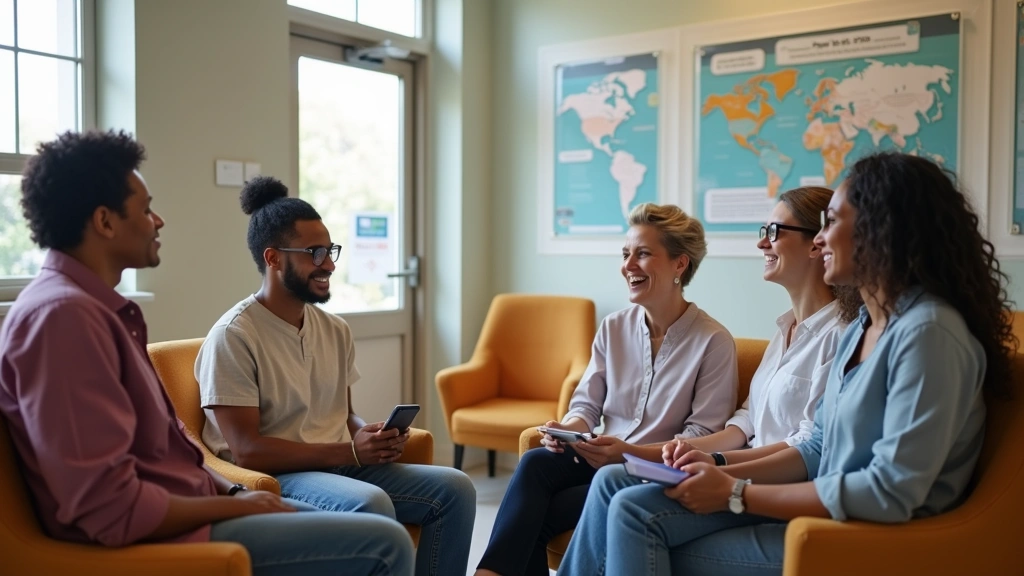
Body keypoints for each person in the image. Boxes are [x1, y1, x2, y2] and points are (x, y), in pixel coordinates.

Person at [556, 151, 1016, 576]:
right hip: (827, 504)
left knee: (636, 517)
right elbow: (816, 447)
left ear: (882, 229)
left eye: (831, 223)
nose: (820, 239)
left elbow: (889, 491)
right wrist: (717, 470)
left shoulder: (929, 333)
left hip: (870, 533)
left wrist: (736, 492)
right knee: (622, 490)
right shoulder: (863, 326)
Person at [0, 130, 414, 575]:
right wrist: (235, 509)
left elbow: (175, 451)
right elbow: (107, 507)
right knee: (383, 542)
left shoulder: (100, 311)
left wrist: (236, 495)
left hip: (196, 507)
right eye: (145, 209)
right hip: (163, 537)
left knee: (389, 513)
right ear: (105, 222)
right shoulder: (62, 320)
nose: (158, 221)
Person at [195, 176, 476, 576]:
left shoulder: (334, 329)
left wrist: (370, 436)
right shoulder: (234, 336)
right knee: (371, 502)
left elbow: (343, 415)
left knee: (456, 489)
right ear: (273, 258)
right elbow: (247, 451)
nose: (329, 263)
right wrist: (349, 451)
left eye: (330, 250)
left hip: (336, 463)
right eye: (315, 252)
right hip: (277, 476)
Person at [475, 203, 739, 576]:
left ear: (680, 264)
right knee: (536, 461)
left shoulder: (713, 341)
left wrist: (629, 452)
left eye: (643, 254)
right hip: (599, 456)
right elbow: (586, 402)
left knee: (538, 515)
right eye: (626, 253)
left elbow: (702, 435)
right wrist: (569, 429)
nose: (628, 265)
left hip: (650, 472)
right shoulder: (613, 327)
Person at [661, 186, 861, 469]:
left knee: (622, 492)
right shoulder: (785, 329)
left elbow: (810, 445)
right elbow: (748, 419)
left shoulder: (841, 336)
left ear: (816, 244)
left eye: (774, 232)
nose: (762, 244)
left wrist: (717, 464)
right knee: (617, 479)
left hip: (768, 483)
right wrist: (681, 450)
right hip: (737, 469)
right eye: (762, 232)